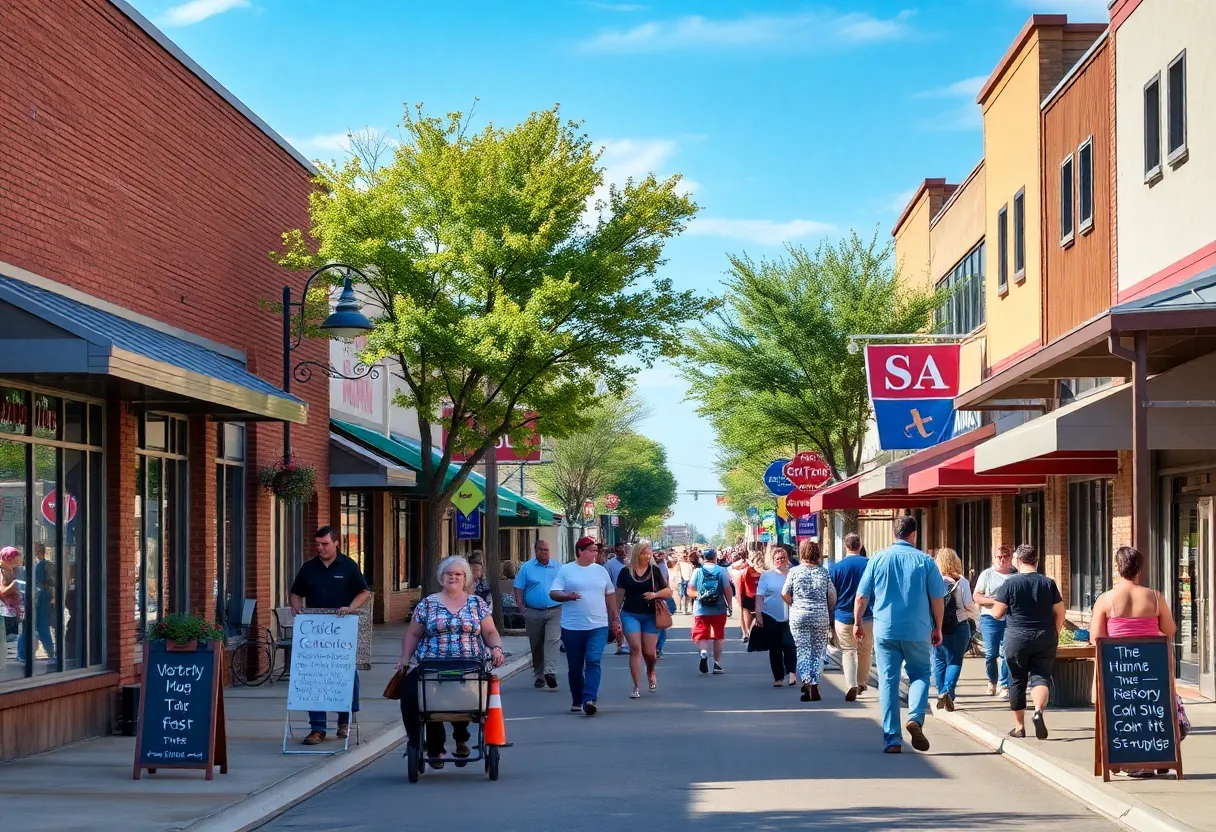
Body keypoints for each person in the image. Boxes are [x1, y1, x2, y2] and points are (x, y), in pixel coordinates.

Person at [397, 556, 506, 766]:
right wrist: (404, 658)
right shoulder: (428, 604)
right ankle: (431, 746)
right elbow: (412, 634)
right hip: (431, 663)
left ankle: (461, 738)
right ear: (441, 577)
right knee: (413, 695)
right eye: (449, 574)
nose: (453, 577)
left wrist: (496, 649)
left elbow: (490, 631)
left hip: (468, 663)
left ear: (465, 578)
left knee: (465, 695)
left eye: (458, 574)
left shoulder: (476, 603)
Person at [854, 515, 945, 754]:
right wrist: (939, 627)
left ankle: (892, 738)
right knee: (920, 674)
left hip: (885, 629)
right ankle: (915, 716)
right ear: (913, 534)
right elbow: (937, 598)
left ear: (894, 533)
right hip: (917, 628)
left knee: (888, 681)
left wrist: (857, 622)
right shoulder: (926, 562)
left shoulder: (878, 559)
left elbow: (862, 596)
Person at [1091, 545, 1184, 777]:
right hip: (1152, 666)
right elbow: (1170, 628)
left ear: (1117, 568)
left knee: (1124, 712)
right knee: (1157, 710)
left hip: (1119, 669)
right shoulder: (1154, 596)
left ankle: (1134, 761)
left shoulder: (1106, 599)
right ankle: (1160, 753)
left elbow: (1096, 638)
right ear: (1139, 569)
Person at [289, 526, 371, 745]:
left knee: (345, 674)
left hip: (341, 630)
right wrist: (296, 606)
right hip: (315, 630)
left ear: (336, 543)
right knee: (315, 676)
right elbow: (296, 592)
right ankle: (317, 728)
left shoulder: (348, 566)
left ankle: (344, 720)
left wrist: (350, 607)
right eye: (317, 544)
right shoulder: (309, 568)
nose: (320, 548)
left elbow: (364, 591)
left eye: (324, 544)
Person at [989, 544, 1065, 740]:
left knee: (1017, 680)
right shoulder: (1048, 583)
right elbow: (1060, 612)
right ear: (1036, 561)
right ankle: (1038, 710)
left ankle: (1019, 727)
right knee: (1041, 677)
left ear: (1018, 561)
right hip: (1044, 636)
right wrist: (1054, 632)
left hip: (1016, 637)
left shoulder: (1010, 584)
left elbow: (997, 613)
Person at [550, 537, 622, 716]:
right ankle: (577, 699)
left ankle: (589, 699)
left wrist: (615, 617)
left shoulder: (601, 571)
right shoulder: (566, 570)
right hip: (572, 626)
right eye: (591, 550)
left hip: (598, 625)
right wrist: (568, 596)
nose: (595, 554)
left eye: (596, 551)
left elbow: (610, 594)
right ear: (580, 551)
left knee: (593, 660)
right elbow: (553, 593)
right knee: (575, 667)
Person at [615, 541, 672, 698]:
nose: (648, 555)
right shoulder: (625, 572)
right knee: (635, 648)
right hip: (629, 614)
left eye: (649, 552)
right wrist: (614, 616)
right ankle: (636, 687)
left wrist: (655, 594)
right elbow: (619, 595)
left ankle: (651, 671)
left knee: (649, 652)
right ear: (636, 554)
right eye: (644, 552)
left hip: (650, 615)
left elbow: (668, 591)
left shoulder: (654, 571)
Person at [782, 540, 836, 702]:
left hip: (799, 615)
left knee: (803, 650)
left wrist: (794, 604)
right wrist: (828, 608)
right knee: (817, 652)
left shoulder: (794, 572)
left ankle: (807, 680)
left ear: (802, 553)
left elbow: (784, 593)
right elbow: (832, 595)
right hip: (820, 615)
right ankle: (815, 682)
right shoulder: (823, 572)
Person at [513, 539, 562, 690]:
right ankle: (540, 674)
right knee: (537, 643)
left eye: (546, 550)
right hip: (533, 611)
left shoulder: (558, 567)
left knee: (552, 639)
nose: (544, 553)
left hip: (555, 610)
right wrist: (520, 606)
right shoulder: (527, 568)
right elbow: (518, 587)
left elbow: (567, 584)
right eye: (541, 550)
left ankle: (550, 672)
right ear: (535, 551)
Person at [830, 533, 872, 701]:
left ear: (846, 546)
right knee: (865, 650)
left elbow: (832, 593)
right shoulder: (870, 564)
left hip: (843, 615)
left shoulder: (837, 568)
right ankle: (861, 682)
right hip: (867, 614)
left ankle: (851, 684)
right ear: (860, 545)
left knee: (848, 651)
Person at [931, 548, 974, 712]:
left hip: (936, 626)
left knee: (939, 661)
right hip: (959, 626)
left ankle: (941, 693)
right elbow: (968, 604)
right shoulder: (961, 581)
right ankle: (948, 692)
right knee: (955, 661)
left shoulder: (933, 579)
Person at [750, 544, 796, 687]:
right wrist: (758, 614)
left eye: (783, 558)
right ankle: (778, 677)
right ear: (773, 560)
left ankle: (792, 672)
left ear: (787, 559)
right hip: (770, 615)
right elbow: (759, 596)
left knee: (789, 645)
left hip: (790, 615)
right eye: (777, 559)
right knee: (775, 648)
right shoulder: (767, 576)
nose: (780, 560)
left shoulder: (793, 573)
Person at [972, 545, 1015, 699]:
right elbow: (976, 596)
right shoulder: (987, 574)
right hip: (989, 618)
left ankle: (1004, 685)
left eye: (1006, 557)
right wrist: (993, 601)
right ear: (994, 558)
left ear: (1011, 559)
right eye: (999, 557)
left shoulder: (1016, 576)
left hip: (1010, 619)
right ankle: (992, 681)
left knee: (1006, 653)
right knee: (991, 654)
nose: (1002, 560)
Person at [688, 546, 733, 674]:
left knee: (701, 633)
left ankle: (703, 652)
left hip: (701, 608)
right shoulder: (721, 570)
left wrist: (699, 596)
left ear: (703, 558)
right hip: (719, 608)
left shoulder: (698, 571)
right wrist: (729, 605)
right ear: (715, 557)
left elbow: (690, 590)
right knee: (718, 636)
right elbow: (727, 589)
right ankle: (717, 664)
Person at [605, 545, 629, 655]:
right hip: (616, 595)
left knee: (628, 620)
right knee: (617, 619)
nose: (622, 550)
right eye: (619, 549)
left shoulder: (631, 563)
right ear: (615, 550)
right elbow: (606, 580)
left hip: (630, 595)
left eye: (624, 548)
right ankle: (620, 644)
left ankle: (630, 643)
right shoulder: (610, 564)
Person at [652, 551, 676, 658]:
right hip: (652, 599)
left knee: (661, 625)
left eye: (660, 554)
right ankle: (654, 647)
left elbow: (666, 583)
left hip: (661, 598)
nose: (659, 556)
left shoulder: (662, 566)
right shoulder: (649, 568)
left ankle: (657, 648)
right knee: (657, 626)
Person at [738, 548, 763, 643]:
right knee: (748, 621)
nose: (760, 563)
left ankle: (755, 636)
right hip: (748, 598)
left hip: (760, 598)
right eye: (758, 560)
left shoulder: (764, 572)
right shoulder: (746, 571)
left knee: (760, 620)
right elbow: (733, 567)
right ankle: (747, 634)